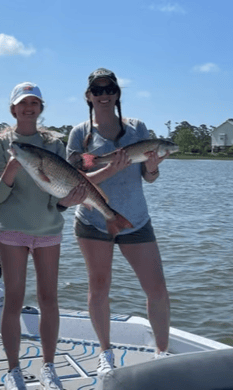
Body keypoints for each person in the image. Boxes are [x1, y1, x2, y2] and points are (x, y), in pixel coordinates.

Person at [66, 68, 171, 381]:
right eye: (97, 90)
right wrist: (110, 168)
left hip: (136, 220)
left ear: (117, 92)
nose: (103, 94)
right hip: (93, 220)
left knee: (158, 290)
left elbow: (148, 178)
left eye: (109, 88)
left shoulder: (137, 128)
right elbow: (76, 183)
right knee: (99, 287)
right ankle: (105, 354)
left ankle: (162, 354)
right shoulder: (79, 134)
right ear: (88, 96)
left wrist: (152, 167)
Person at [0, 82, 86, 390]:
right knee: (13, 300)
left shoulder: (54, 144)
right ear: (12, 108)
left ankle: (49, 368)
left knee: (48, 299)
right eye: (22, 103)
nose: (28, 108)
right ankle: (14, 371)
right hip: (11, 231)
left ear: (41, 108)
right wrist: (14, 164)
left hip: (48, 230)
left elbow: (60, 195)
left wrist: (70, 200)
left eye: (34, 103)